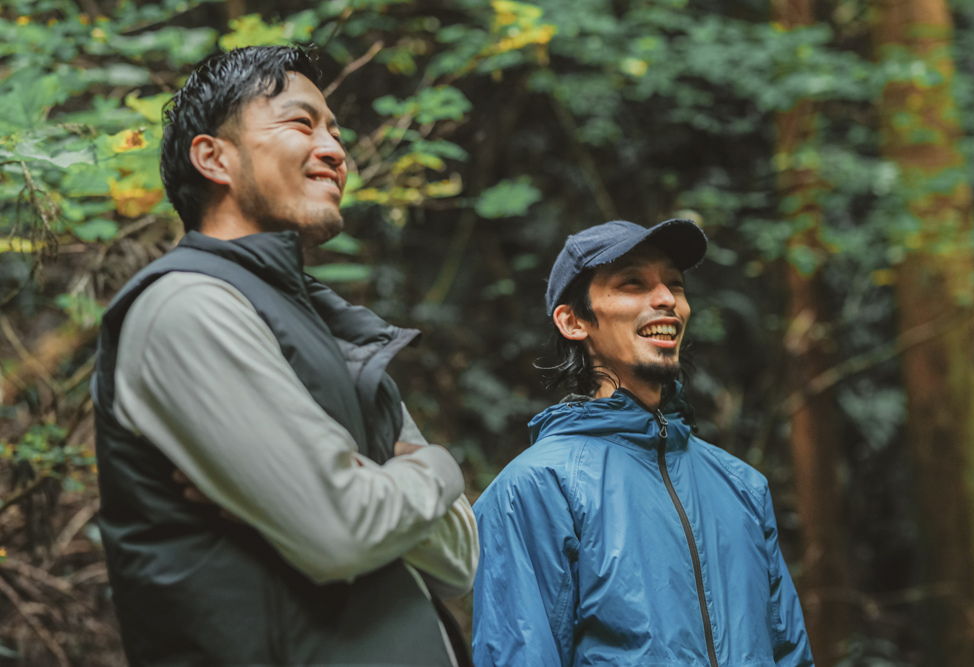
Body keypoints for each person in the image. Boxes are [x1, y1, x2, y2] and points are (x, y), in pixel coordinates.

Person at [91, 46, 477, 667]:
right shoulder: (186, 308)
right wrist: (438, 468)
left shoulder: (332, 327)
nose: (334, 149)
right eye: (302, 124)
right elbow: (341, 531)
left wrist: (369, 482)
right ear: (213, 157)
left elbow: (460, 556)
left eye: (334, 131)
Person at [471, 219, 814, 666]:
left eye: (675, 285)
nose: (666, 300)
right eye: (633, 283)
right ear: (573, 320)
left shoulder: (742, 487)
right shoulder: (535, 488)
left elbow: (790, 654)